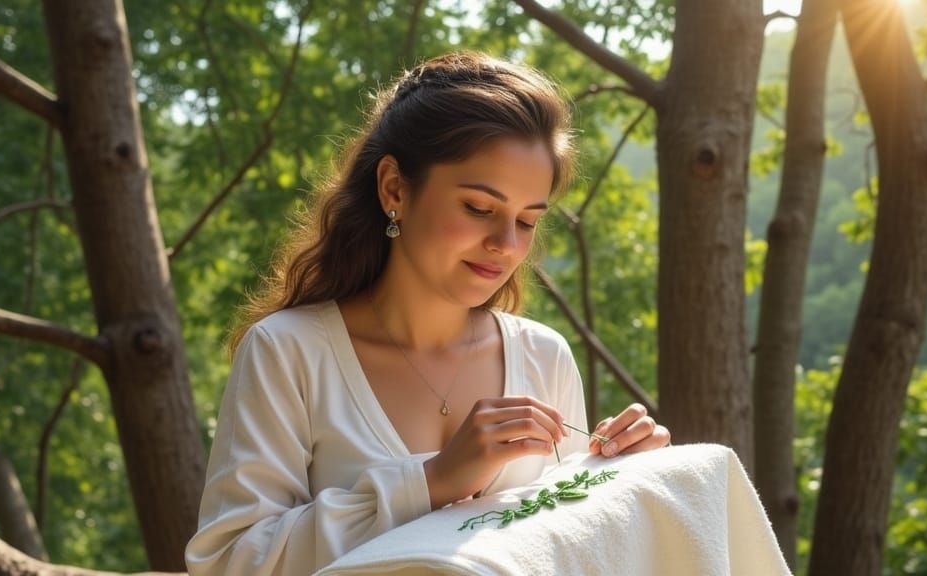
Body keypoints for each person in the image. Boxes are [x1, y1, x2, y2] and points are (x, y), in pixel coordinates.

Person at [184, 51, 671, 576]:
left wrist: (622, 482)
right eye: (479, 209)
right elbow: (230, 560)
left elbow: (572, 550)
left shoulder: (543, 356)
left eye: (527, 221)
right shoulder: (288, 351)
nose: (506, 245)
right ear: (394, 188)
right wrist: (433, 482)